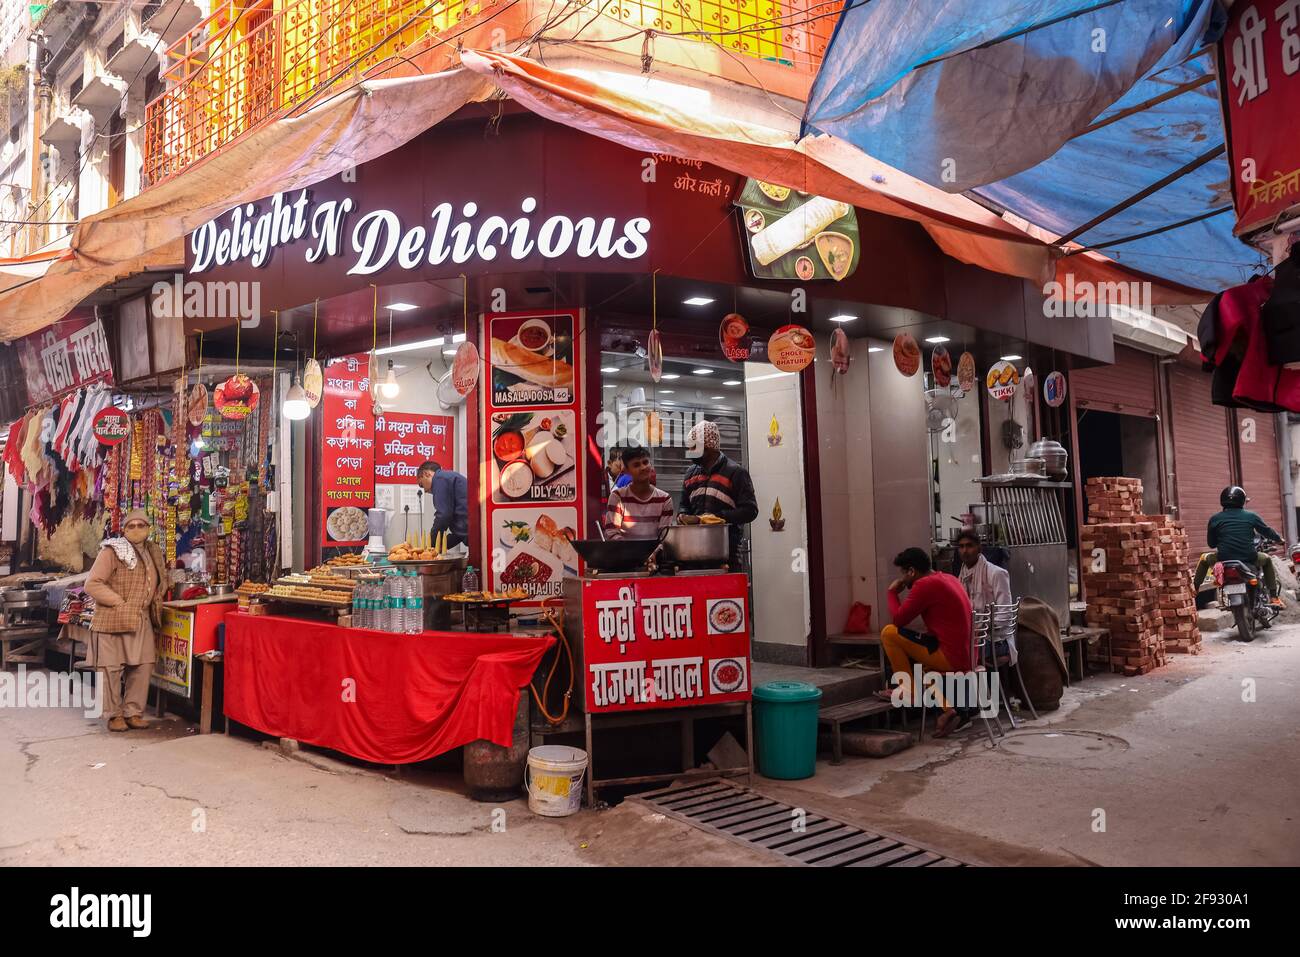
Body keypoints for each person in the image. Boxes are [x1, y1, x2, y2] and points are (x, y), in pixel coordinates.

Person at [83, 510, 168, 732]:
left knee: (143, 664)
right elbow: (92, 584)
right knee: (110, 668)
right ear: (124, 529)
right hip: (112, 619)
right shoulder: (112, 551)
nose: (137, 530)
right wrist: (119, 602)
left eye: (142, 525)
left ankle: (133, 712)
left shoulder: (153, 551)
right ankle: (113, 715)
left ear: (149, 529)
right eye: (132, 526)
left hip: (141, 618)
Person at [876, 547, 973, 738]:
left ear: (911, 571)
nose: (902, 578)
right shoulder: (948, 578)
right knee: (926, 669)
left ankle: (907, 689)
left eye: (903, 573)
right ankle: (947, 710)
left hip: (951, 657)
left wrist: (891, 593)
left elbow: (898, 620)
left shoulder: (925, 585)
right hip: (968, 655)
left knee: (888, 633)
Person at [679, 420, 758, 566]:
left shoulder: (736, 472)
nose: (689, 451)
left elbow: (750, 510)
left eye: (693, 447)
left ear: (708, 448)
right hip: (694, 553)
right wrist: (682, 515)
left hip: (728, 553)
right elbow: (684, 504)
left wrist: (717, 518)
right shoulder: (690, 474)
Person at [1202, 485, 1284, 607]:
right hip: (1248, 557)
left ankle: (1194, 588)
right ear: (1242, 501)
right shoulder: (1251, 516)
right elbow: (1266, 531)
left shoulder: (1214, 519)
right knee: (1267, 560)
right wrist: (1279, 540)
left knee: (1205, 559)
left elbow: (1211, 544)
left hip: (1224, 559)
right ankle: (1274, 597)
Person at [955, 528, 1016, 665]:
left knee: (958, 655)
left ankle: (981, 686)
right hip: (974, 639)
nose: (965, 550)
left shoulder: (996, 573)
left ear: (979, 548)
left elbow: (1006, 614)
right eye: (961, 546)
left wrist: (980, 629)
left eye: (969, 546)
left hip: (996, 641)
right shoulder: (962, 576)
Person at [604, 445, 674, 540]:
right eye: (636, 465)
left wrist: (654, 553)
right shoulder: (617, 497)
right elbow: (611, 533)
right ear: (626, 471)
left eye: (645, 462)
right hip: (624, 553)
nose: (643, 467)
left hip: (656, 554)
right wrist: (631, 551)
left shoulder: (665, 499)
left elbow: (665, 537)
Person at [417, 461, 468, 549]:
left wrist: (430, 544)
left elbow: (443, 515)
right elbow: (459, 534)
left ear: (426, 474)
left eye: (421, 485)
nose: (424, 490)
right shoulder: (447, 478)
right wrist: (438, 546)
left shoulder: (439, 479)